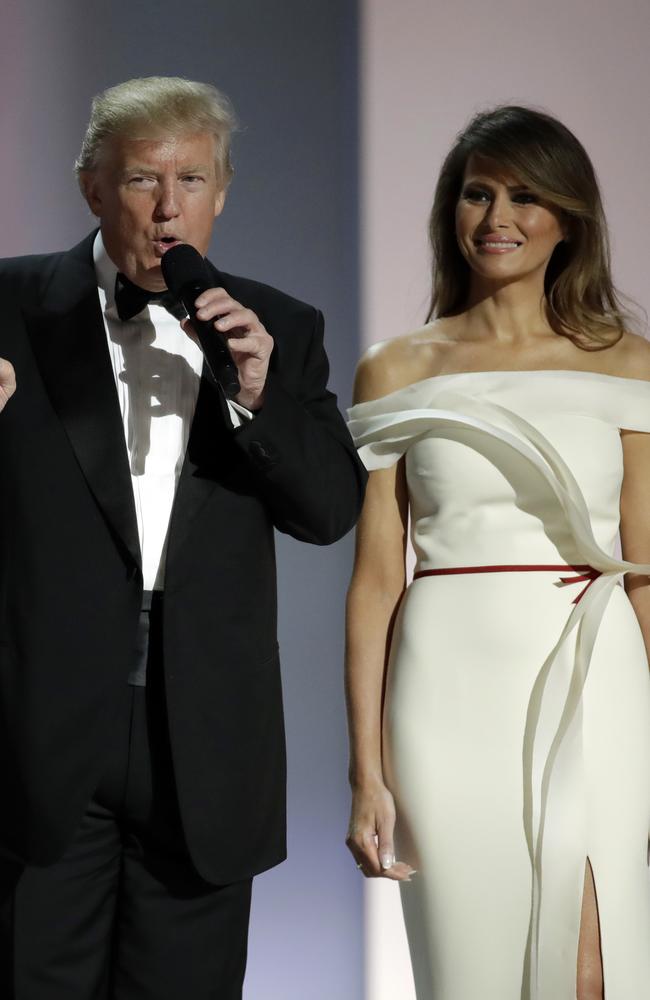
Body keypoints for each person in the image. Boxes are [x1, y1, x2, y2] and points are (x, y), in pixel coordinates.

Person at [0, 76, 367, 1000]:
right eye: (141, 182)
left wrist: (258, 397)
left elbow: (327, 513)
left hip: (203, 741)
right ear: (91, 188)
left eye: (193, 181)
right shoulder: (9, 305)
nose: (170, 211)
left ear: (224, 191)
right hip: (39, 738)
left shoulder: (278, 327)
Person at [344, 105, 650, 999]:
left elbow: (648, 571)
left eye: (524, 195)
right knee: (474, 968)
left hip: (597, 670)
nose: (497, 218)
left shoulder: (630, 365)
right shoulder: (396, 368)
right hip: (444, 690)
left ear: (570, 218)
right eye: (478, 194)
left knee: (593, 961)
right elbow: (372, 585)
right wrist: (366, 771)